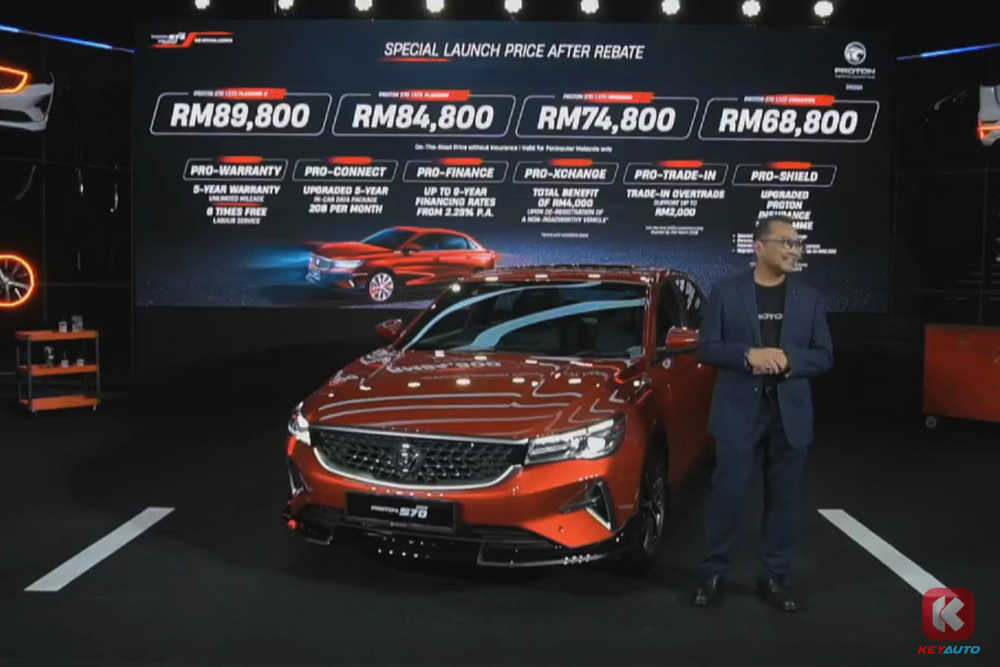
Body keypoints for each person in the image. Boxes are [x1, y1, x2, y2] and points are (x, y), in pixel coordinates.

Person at [691, 215, 833, 612]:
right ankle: (713, 572)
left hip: (789, 414)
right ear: (758, 247)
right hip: (738, 411)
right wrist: (747, 355)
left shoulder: (809, 298)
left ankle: (773, 576)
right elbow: (706, 348)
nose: (793, 250)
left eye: (797, 243)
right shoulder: (726, 292)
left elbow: (824, 355)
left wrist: (789, 360)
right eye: (785, 242)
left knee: (783, 500)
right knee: (728, 495)